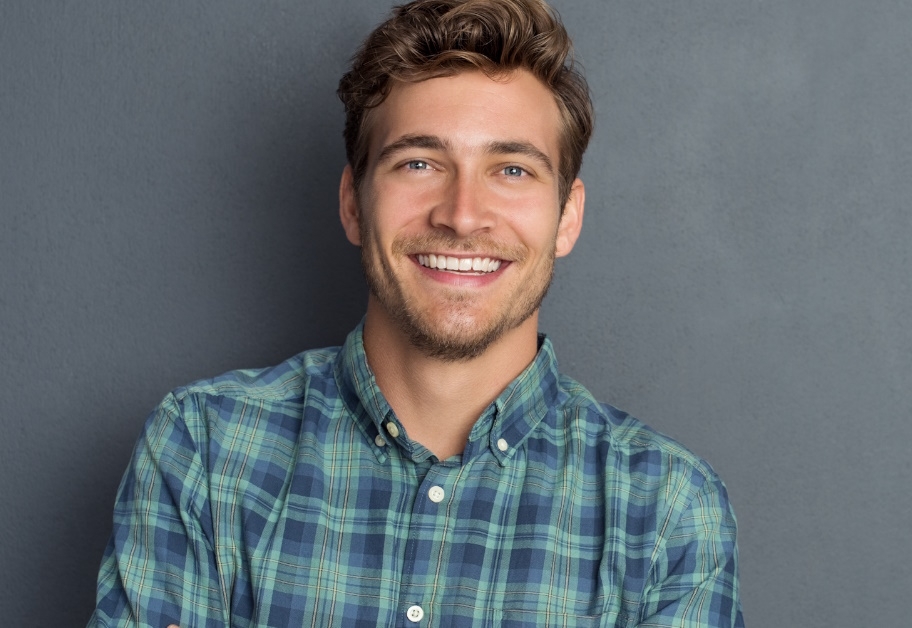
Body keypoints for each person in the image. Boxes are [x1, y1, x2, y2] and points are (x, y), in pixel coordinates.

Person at [88, 0, 743, 626]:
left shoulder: (665, 512)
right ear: (353, 202)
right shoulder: (204, 452)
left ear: (567, 217)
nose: (461, 213)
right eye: (420, 162)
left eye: (511, 170)